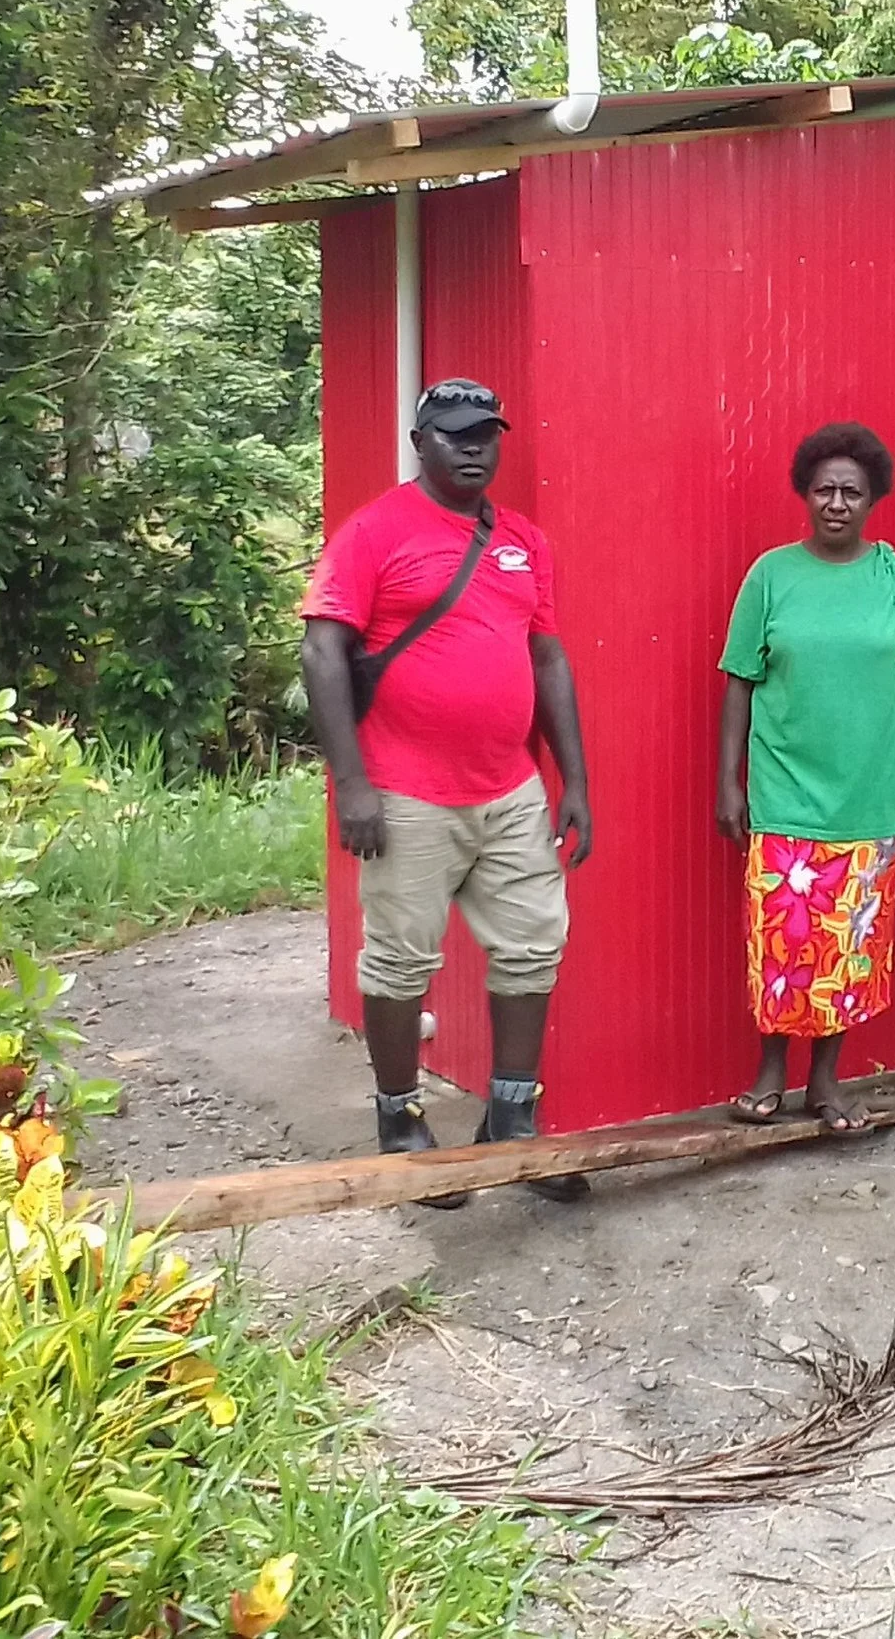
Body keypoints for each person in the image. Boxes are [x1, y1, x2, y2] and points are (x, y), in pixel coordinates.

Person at [301, 377, 597, 1206]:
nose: (474, 447)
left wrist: (574, 777)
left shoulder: (523, 541)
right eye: (455, 434)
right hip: (404, 793)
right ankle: (400, 1121)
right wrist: (350, 783)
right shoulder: (375, 532)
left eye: (486, 434)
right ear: (419, 443)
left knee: (534, 944)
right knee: (400, 959)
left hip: (510, 789)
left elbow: (547, 657)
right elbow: (322, 652)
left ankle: (512, 1119)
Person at [716, 423, 895, 1133]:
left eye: (852, 491)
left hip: (871, 796)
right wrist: (729, 782)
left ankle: (825, 1078)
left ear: (873, 498)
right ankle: (770, 1072)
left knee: (850, 945)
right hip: (784, 790)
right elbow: (738, 681)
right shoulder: (770, 576)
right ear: (805, 494)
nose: (837, 503)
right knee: (781, 942)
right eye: (824, 490)